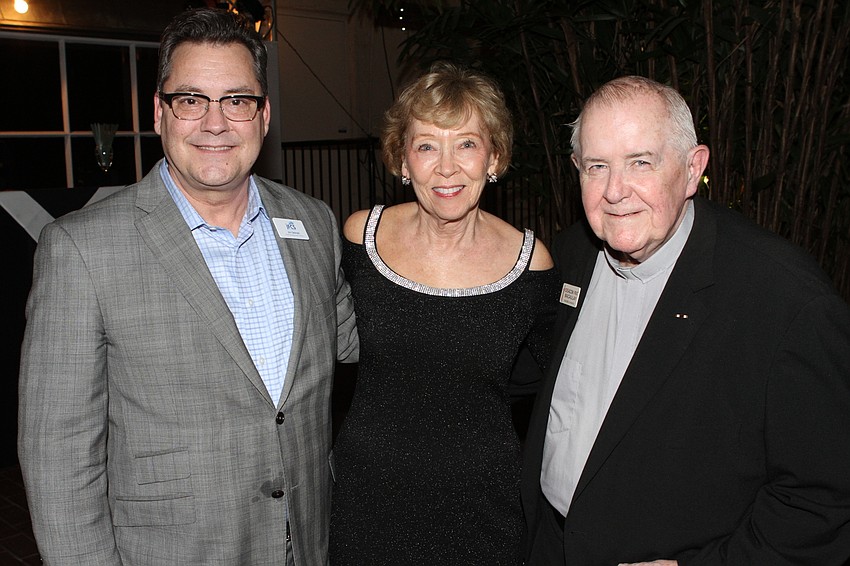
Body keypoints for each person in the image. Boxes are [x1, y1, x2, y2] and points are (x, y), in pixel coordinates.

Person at [18, 8, 358, 566]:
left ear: (264, 114)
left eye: (236, 100)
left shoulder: (312, 222)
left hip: (306, 542)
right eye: (192, 100)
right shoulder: (82, 248)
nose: (215, 123)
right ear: (160, 112)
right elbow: (58, 454)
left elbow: (356, 339)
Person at [521, 75, 850, 565]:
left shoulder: (784, 301)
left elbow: (825, 499)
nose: (615, 191)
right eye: (597, 166)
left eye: (641, 162)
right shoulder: (570, 255)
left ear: (693, 169)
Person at [328, 61, 560, 565]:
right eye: (427, 146)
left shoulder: (531, 265)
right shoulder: (359, 239)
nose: (447, 167)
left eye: (467, 144)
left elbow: (559, 389)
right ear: (402, 160)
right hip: (368, 504)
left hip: (483, 511)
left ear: (494, 157)